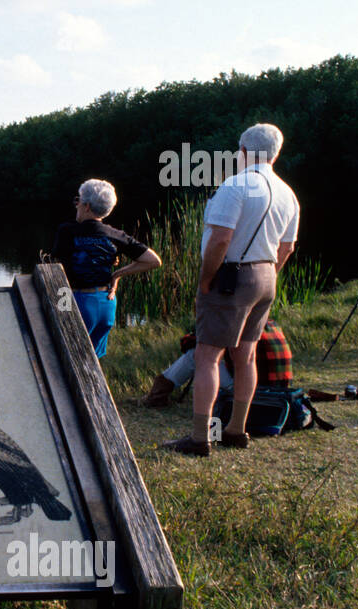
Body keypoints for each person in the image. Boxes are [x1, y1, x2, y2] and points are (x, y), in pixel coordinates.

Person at [167, 123, 300, 455]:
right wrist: (266, 274)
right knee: (247, 355)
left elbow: (220, 239)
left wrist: (205, 279)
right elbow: (287, 249)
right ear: (276, 152)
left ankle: (200, 438)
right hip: (267, 275)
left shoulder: (235, 185)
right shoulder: (288, 193)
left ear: (242, 151)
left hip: (231, 277)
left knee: (207, 356)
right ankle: (236, 430)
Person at [52, 179, 162, 358]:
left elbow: (54, 264)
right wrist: (117, 274)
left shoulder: (66, 231)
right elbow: (153, 260)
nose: (76, 205)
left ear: (86, 206)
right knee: (93, 361)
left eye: (78, 200)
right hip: (106, 302)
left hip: (73, 300)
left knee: (62, 358)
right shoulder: (115, 235)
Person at [142, 318, 292, 407]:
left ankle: (157, 395)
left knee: (196, 355)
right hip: (279, 389)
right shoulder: (269, 323)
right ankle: (159, 393)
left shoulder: (235, 324)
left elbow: (192, 343)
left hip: (253, 391)